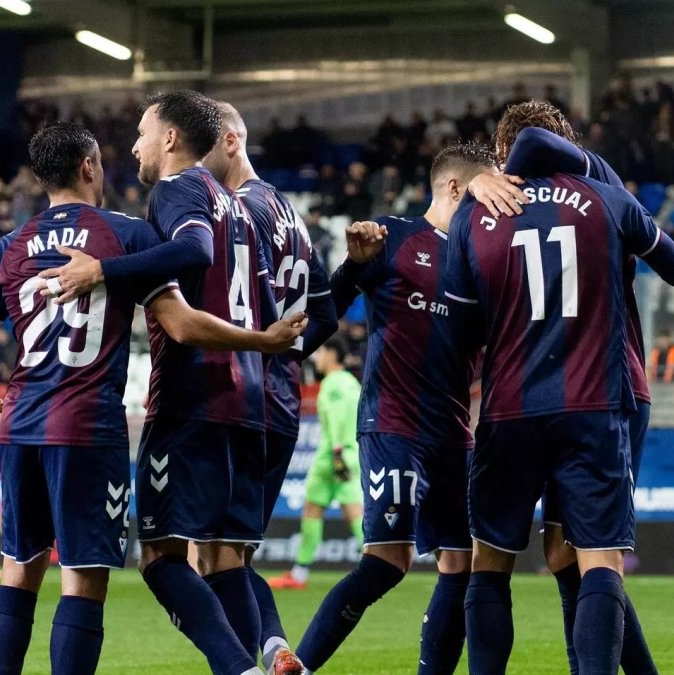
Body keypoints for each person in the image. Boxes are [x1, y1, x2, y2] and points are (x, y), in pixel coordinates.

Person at [0, 121, 305, 675]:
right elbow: (185, 326)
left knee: (18, 569)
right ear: (89, 166)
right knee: (83, 578)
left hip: (19, 425)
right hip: (87, 429)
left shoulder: (8, 247)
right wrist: (262, 340)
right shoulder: (125, 235)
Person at [35, 93, 284, 675]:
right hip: (251, 401)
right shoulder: (243, 207)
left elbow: (193, 251)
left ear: (171, 138)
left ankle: (238, 669)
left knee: (160, 557)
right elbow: (268, 309)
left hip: (194, 399)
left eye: (143, 133)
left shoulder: (177, 189)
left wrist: (102, 269)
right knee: (224, 563)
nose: (135, 146)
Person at [444, 103, 674, 675]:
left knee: (499, 560)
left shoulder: (475, 215)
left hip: (509, 407)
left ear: (502, 155)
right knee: (592, 557)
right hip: (598, 397)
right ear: (572, 144)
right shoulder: (606, 195)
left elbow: (457, 331)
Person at [290, 144, 508, 675]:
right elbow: (326, 313)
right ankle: (299, 666)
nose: (496, 205)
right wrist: (351, 266)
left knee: (462, 564)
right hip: (394, 425)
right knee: (389, 561)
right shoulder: (393, 239)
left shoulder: (483, 262)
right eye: (488, 191)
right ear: (457, 189)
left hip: (455, 435)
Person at [201, 101, 339, 674]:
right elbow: (325, 316)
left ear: (231, 141)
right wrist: (284, 358)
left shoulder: (238, 211)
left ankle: (254, 662)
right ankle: (275, 650)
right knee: (229, 555)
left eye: (201, 144)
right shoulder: (289, 213)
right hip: (278, 398)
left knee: (209, 557)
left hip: (243, 395)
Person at [269, 338, 363, 591]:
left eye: (321, 351)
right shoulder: (352, 383)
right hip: (350, 452)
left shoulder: (332, 384)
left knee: (314, 510)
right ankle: (379, 563)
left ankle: (299, 574)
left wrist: (337, 452)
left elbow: (336, 418)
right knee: (350, 510)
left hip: (334, 454)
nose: (317, 357)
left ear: (333, 354)